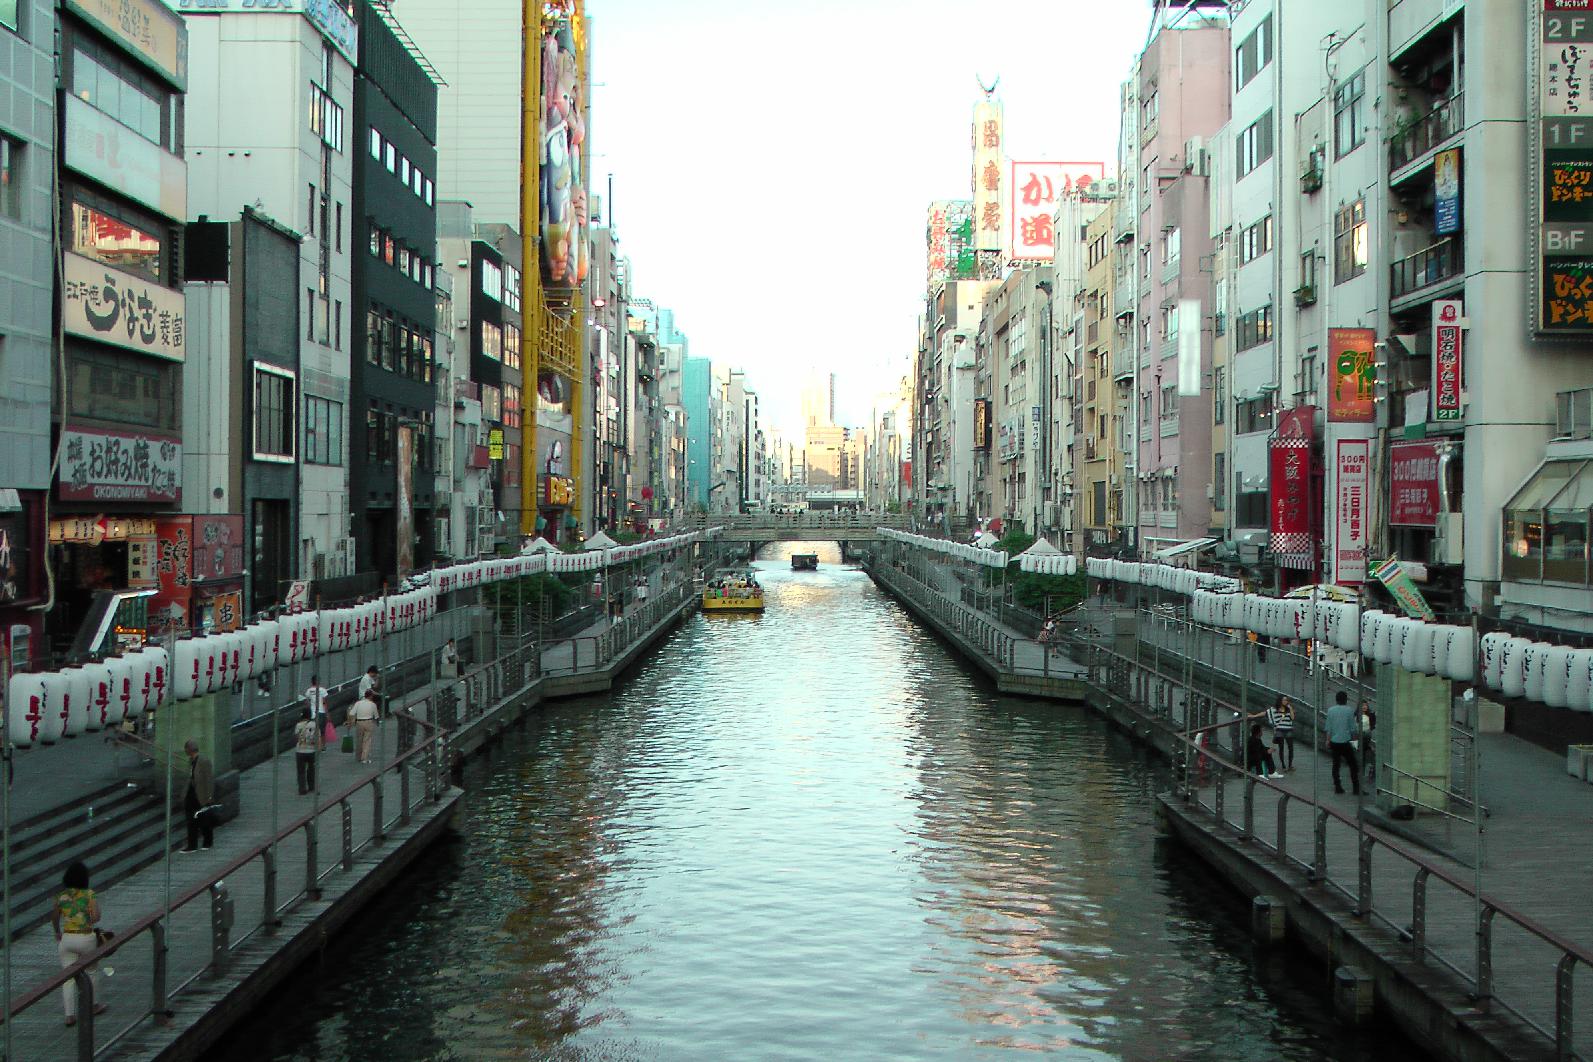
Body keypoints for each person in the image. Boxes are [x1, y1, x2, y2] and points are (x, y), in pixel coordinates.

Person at [52, 861, 109, 1026]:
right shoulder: (89, 895)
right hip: (86, 937)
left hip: (67, 938)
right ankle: (94, 1005)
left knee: (68, 978)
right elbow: (96, 916)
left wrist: (57, 931)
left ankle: (69, 1015)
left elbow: (54, 917)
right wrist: (86, 919)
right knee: (91, 971)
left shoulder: (61, 897)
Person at [1324, 691, 1362, 795]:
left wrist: (1327, 740)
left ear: (1336, 699)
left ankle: (1338, 786)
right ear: (1346, 699)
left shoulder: (1331, 710)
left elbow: (1329, 728)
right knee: (1353, 765)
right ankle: (1356, 788)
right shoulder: (1349, 711)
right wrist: (1355, 741)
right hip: (1345, 741)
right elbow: (1353, 729)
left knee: (1336, 765)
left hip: (1334, 741)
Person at [181, 740, 215, 852]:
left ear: (189, 749)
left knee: (203, 819)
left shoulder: (203, 761)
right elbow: (190, 778)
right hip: (191, 795)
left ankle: (207, 842)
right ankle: (192, 845)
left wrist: (209, 797)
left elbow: (209, 780)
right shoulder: (191, 761)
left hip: (201, 795)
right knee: (191, 820)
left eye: (186, 749)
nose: (185, 751)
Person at [348, 689, 381, 765]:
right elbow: (376, 715)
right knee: (367, 741)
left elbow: (352, 713)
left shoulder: (358, 703)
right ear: (371, 696)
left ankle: (358, 757)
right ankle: (364, 758)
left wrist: (350, 723)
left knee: (359, 740)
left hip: (359, 722)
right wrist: (377, 722)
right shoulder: (372, 704)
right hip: (369, 722)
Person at [1266, 696, 1296, 773]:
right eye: (1284, 700)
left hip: (1288, 729)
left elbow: (1292, 718)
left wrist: (1291, 708)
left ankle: (1290, 765)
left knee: (1291, 747)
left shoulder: (1289, 709)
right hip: (1280, 730)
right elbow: (1267, 713)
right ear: (1280, 701)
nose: (1285, 701)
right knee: (1281, 747)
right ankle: (1283, 765)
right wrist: (1254, 716)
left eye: (1286, 700)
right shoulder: (1275, 709)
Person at [294, 708, 320, 795]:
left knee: (301, 771)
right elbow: (318, 737)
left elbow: (297, 737)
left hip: (300, 750)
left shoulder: (298, 725)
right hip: (312, 750)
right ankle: (311, 786)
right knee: (311, 769)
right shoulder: (314, 724)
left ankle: (302, 789)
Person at [1359, 699, 1378, 786]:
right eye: (1362, 705)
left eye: (1365, 705)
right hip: (1361, 740)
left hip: (1368, 740)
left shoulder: (1370, 715)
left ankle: (1371, 773)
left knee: (1372, 757)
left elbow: (1373, 726)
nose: (1364, 707)